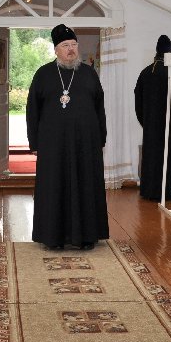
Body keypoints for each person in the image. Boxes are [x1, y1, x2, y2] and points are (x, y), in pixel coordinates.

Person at [27, 24, 108, 250]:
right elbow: (32, 110)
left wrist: (101, 138)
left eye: (74, 45)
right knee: (55, 187)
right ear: (56, 50)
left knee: (85, 185)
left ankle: (87, 236)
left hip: (86, 144)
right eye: (65, 45)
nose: (71, 49)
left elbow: (99, 108)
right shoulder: (43, 74)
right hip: (53, 145)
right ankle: (53, 237)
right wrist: (34, 142)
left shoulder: (89, 73)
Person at [134, 35, 171, 201]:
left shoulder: (145, 72)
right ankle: (167, 192)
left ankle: (149, 190)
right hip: (169, 124)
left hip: (150, 125)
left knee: (152, 157)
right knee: (167, 157)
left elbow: (137, 101)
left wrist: (146, 122)